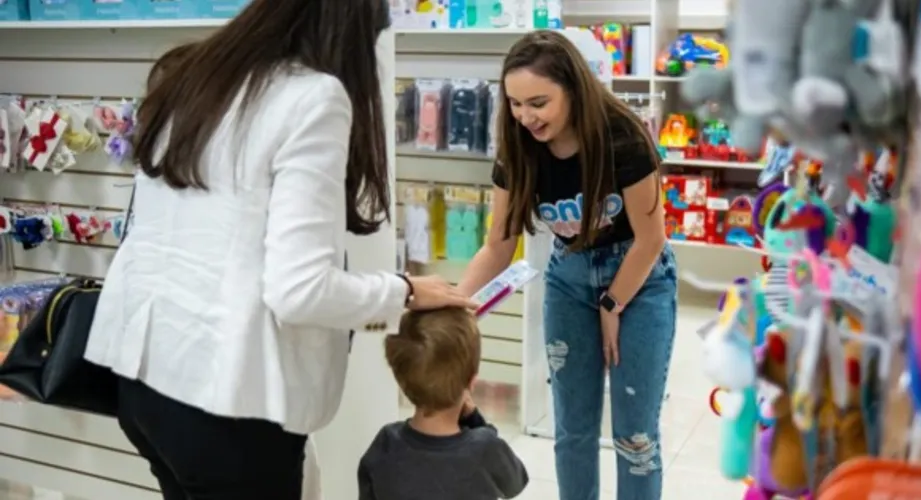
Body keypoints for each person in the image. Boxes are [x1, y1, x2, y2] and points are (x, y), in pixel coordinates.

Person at [83, 0, 474, 498]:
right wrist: (403, 292)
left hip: (145, 385)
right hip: (226, 409)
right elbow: (299, 291)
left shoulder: (196, 74)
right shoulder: (312, 96)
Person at [458, 31, 678, 500]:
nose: (525, 117)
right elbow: (498, 244)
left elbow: (651, 238)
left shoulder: (623, 137)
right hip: (569, 279)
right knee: (573, 431)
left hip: (639, 279)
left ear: (574, 90)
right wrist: (456, 306)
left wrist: (613, 303)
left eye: (538, 103)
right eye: (515, 104)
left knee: (635, 436)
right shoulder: (518, 147)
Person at [358, 307, 529, 500]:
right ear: (471, 382)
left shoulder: (386, 443)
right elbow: (517, 483)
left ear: (401, 380)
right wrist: (474, 420)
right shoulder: (486, 447)